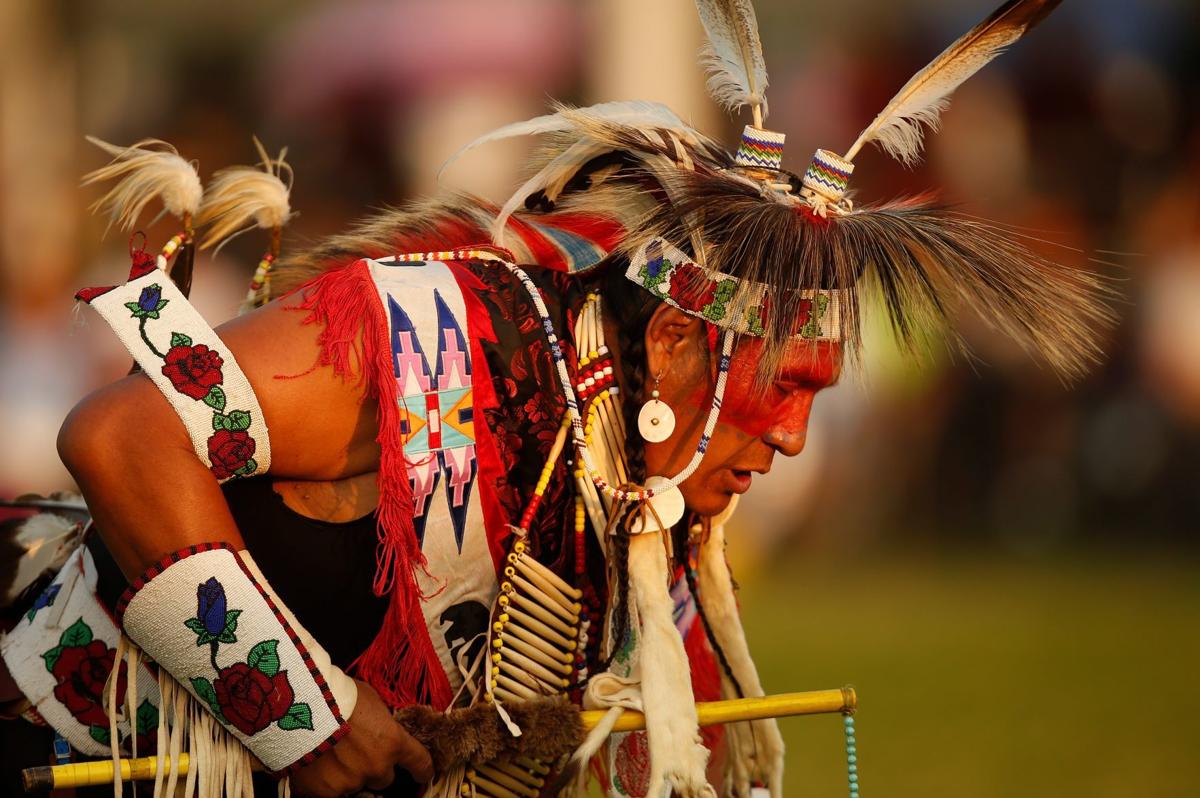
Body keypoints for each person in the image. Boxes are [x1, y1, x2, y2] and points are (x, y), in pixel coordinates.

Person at [2, 1, 1108, 796]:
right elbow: (123, 434)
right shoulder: (426, 339)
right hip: (54, 732)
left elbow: (671, 742)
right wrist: (304, 716)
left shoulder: (641, 501)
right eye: (785, 389)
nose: (792, 438)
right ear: (674, 341)